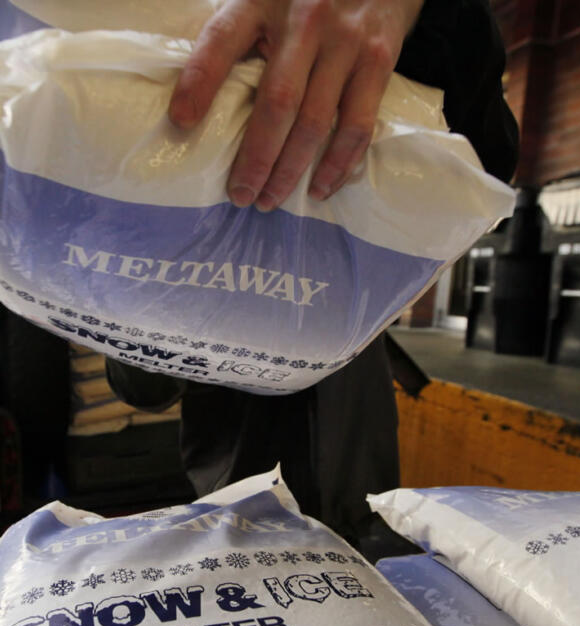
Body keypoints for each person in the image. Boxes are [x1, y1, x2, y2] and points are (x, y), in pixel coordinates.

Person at [107, 0, 518, 554]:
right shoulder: (177, 218)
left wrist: (412, 15)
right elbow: (144, 387)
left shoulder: (373, 155)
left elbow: (488, 156)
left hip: (365, 506)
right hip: (242, 522)